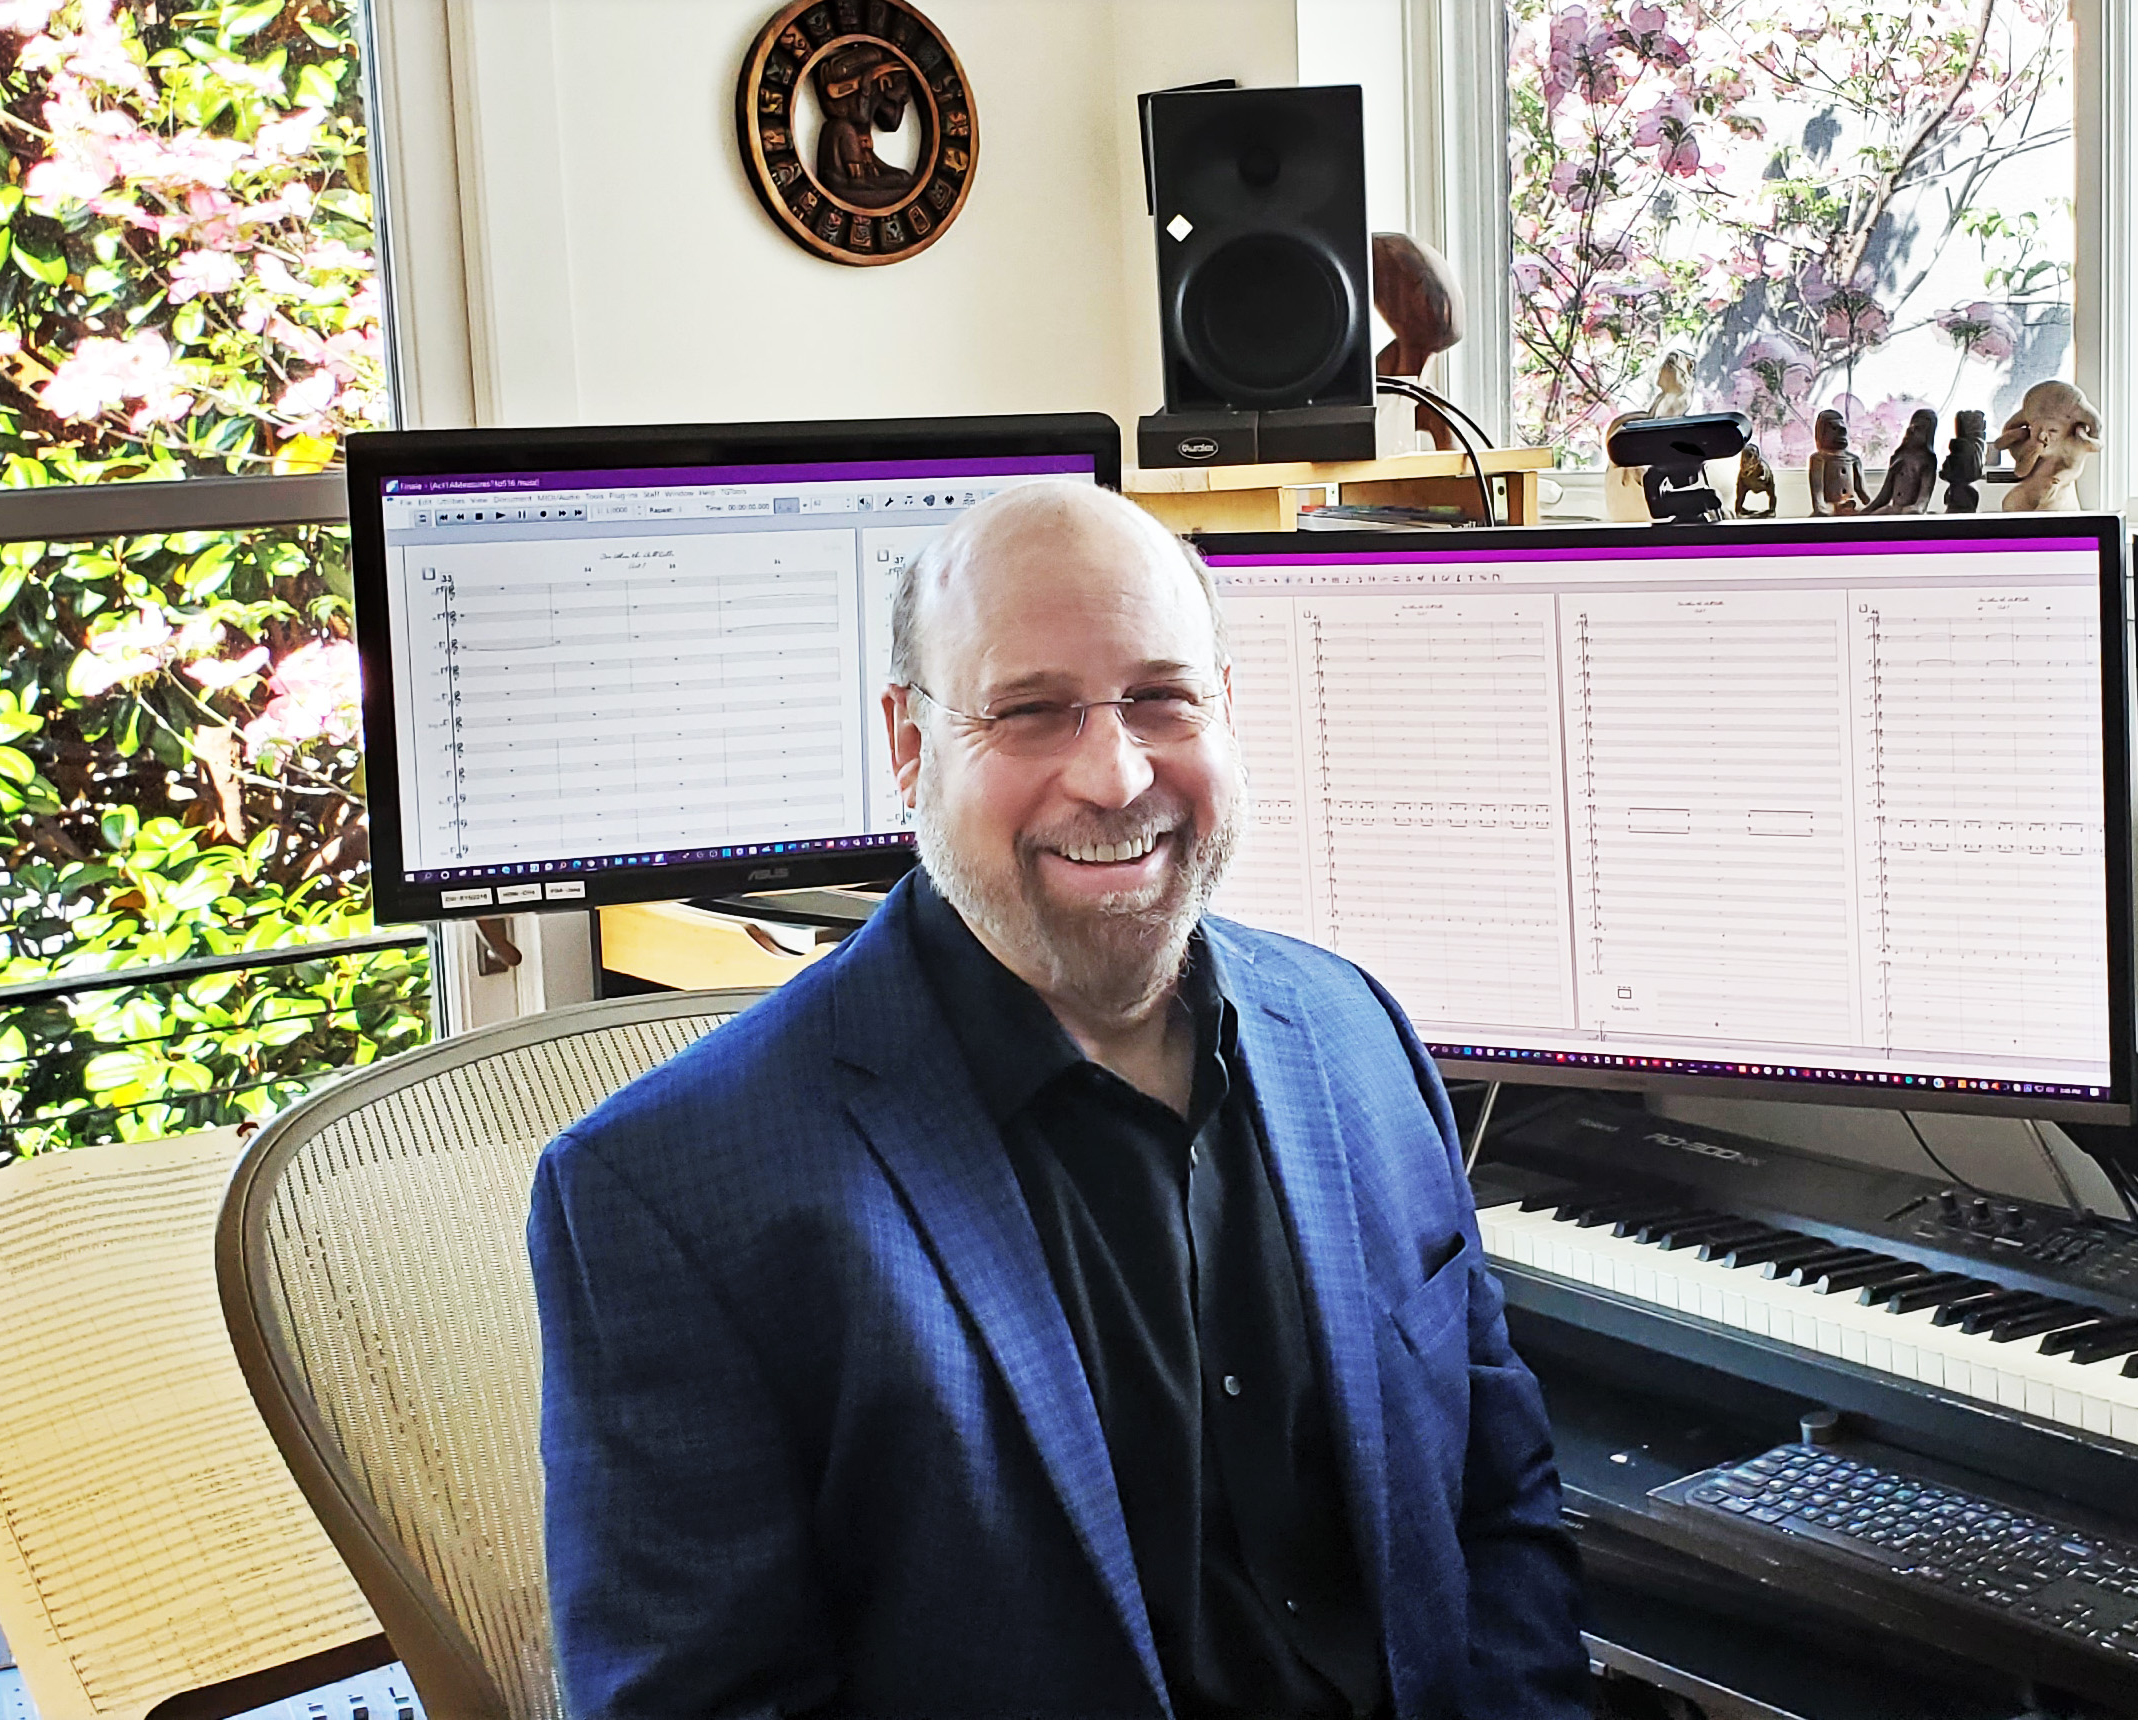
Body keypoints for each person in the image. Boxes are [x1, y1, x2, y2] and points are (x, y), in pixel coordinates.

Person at [527, 482, 1587, 1720]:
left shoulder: (1358, 1030)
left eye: (1160, 697)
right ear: (911, 743)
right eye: (1031, 711)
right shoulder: (669, 1192)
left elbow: (1498, 1510)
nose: (1115, 769)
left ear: (1226, 709)